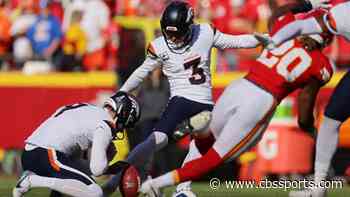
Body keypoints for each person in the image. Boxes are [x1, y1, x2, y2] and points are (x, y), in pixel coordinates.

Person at [140, 0, 336, 195]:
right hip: (262, 100)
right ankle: (156, 183)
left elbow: (279, 12)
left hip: (240, 86)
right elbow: (304, 109)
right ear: (326, 38)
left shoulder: (284, 31)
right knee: (218, 156)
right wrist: (310, 130)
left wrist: (308, 4)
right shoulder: (321, 65)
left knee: (208, 144)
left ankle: (196, 152)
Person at [102, 1, 267, 196]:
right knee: (157, 140)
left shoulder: (204, 32)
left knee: (200, 146)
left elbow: (236, 41)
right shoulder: (161, 45)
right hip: (180, 100)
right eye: (169, 33)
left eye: (177, 33)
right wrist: (122, 92)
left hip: (204, 102)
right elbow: (141, 72)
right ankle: (115, 179)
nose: (172, 38)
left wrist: (263, 38)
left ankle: (183, 189)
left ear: (189, 27)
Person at [260, 1, 350, 197]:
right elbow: (302, 26)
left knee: (329, 122)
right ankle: (318, 187)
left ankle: (318, 186)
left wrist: (276, 41)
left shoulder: (342, 13)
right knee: (329, 122)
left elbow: (294, 22)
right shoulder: (343, 14)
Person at [12, 91, 140, 197]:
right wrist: (110, 164)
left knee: (77, 182)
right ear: (123, 114)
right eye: (125, 125)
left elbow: (82, 168)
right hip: (46, 153)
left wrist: (112, 168)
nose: (121, 129)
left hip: (32, 153)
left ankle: (36, 182)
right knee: (95, 192)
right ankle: (31, 180)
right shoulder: (106, 124)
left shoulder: (89, 109)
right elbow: (97, 169)